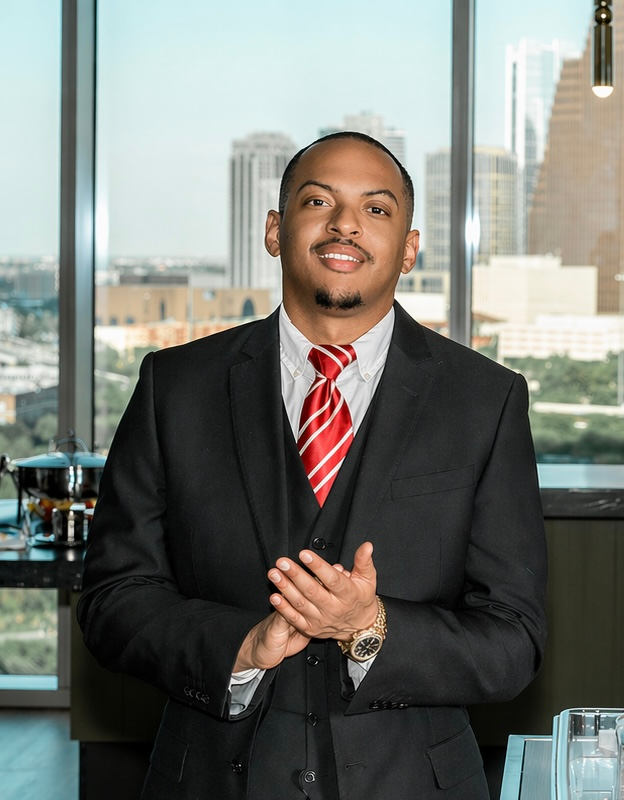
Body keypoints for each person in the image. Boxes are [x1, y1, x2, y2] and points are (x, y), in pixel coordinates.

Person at [77, 132, 547, 800]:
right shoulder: (174, 388)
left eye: (377, 209)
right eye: (318, 200)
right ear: (275, 230)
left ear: (410, 249)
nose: (345, 223)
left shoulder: (485, 401)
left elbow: (515, 641)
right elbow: (112, 600)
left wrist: (370, 628)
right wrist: (242, 647)